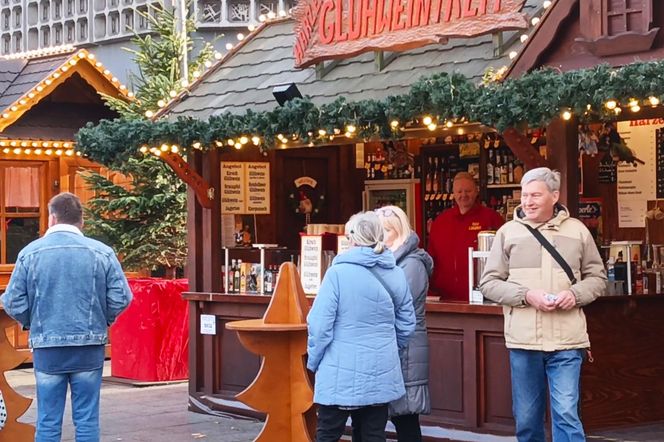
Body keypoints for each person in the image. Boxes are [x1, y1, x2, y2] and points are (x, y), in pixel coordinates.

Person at [479, 168, 607, 442]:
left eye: (536, 194)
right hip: (524, 342)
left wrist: (575, 294)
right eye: (525, 195)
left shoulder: (578, 231)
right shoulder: (508, 233)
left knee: (567, 415)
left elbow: (598, 278)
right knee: (526, 419)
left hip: (568, 342)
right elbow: (488, 284)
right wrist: (526, 296)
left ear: (555, 196)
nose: (528, 201)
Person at [0, 192, 133, 442]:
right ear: (81, 221)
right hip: (89, 346)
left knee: (48, 421)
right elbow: (122, 297)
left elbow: (11, 300)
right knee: (87, 420)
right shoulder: (102, 252)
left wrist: (32, 322)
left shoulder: (30, 253)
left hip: (48, 346)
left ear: (51, 218)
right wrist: (102, 319)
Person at [307, 211, 416, 442]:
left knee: (328, 433)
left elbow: (319, 326)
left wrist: (314, 361)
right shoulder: (395, 273)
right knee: (373, 434)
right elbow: (407, 323)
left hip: (338, 368)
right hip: (381, 368)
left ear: (352, 239)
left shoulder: (336, 274)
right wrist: (388, 348)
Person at [374, 205, 433, 442]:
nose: (380, 239)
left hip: (406, 349)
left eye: (385, 232)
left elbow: (396, 304)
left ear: (398, 232)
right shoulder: (387, 261)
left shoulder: (412, 263)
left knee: (405, 416)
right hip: (390, 347)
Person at [428, 171, 504, 302]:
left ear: (476, 192)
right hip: (446, 298)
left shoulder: (492, 218)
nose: (463, 195)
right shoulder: (441, 222)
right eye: (459, 191)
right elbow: (431, 259)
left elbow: (504, 256)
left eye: (468, 191)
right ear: (453, 194)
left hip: (484, 297)